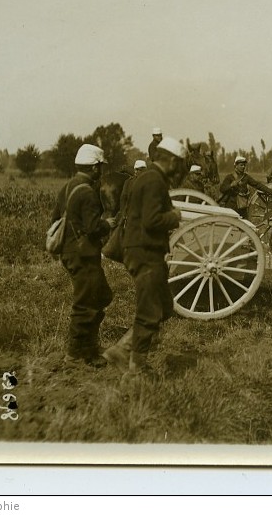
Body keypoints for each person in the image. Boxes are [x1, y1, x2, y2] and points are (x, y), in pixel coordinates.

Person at [103, 137, 187, 379]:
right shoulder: (154, 181)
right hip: (145, 251)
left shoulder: (147, 178)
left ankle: (123, 349)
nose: (178, 169)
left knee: (163, 306)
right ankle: (135, 366)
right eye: (178, 164)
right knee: (150, 311)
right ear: (170, 160)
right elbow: (152, 220)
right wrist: (175, 216)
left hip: (144, 249)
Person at [50, 143, 115, 367]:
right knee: (85, 302)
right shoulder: (88, 192)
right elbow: (92, 227)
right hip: (83, 255)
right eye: (101, 168)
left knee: (101, 295)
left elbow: (55, 218)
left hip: (70, 253)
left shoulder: (67, 187)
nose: (101, 172)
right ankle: (76, 354)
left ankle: (89, 347)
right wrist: (107, 224)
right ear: (95, 168)